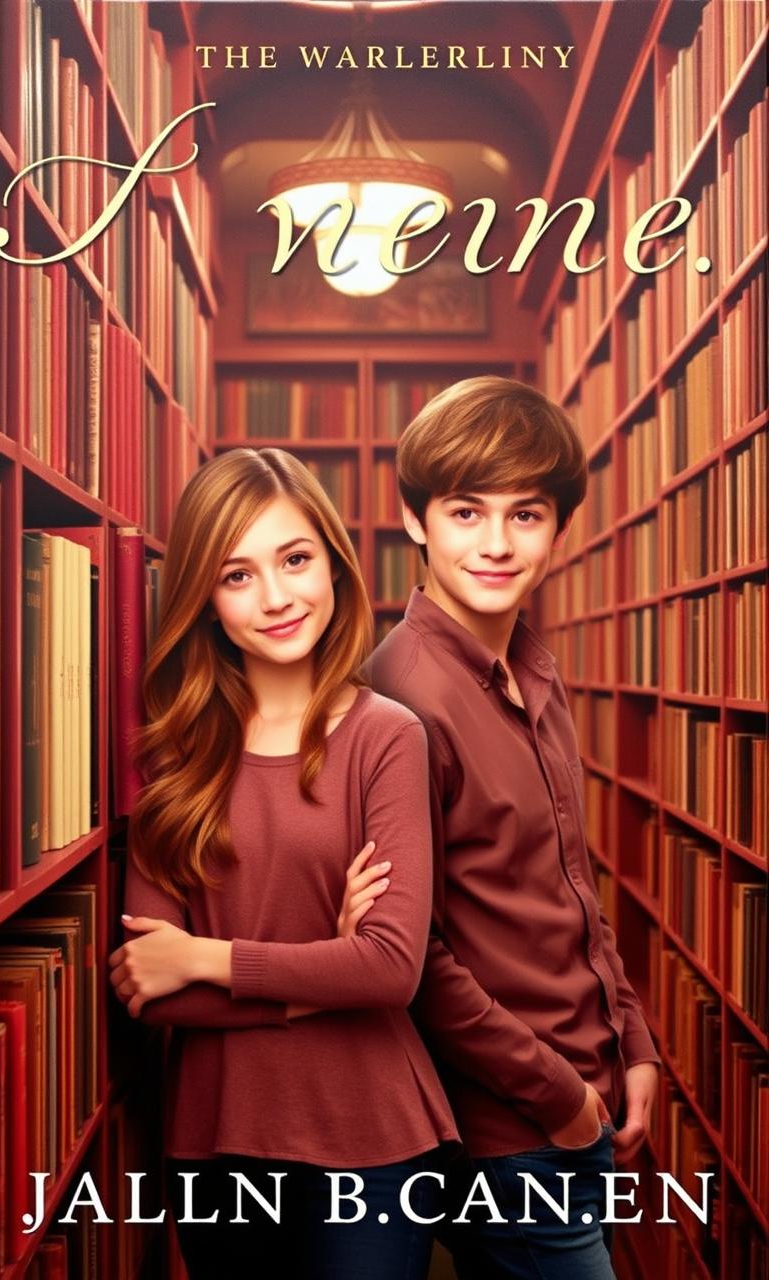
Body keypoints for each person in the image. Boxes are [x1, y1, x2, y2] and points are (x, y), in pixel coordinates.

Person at [108, 447, 458, 1280]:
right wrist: (311, 988)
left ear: (334, 567)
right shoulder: (176, 757)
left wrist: (206, 957)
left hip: (372, 1137)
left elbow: (388, 971)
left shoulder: (388, 738)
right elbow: (149, 992)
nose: (275, 598)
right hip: (217, 1141)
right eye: (237, 575)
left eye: (295, 560)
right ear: (206, 602)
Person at [366, 376, 661, 1280]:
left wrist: (633, 1042)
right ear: (416, 520)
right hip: (511, 1130)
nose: (496, 544)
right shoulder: (399, 697)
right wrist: (563, 1098)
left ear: (558, 526)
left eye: (525, 514)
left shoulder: (532, 668)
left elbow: (568, 880)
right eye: (465, 512)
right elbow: (415, 957)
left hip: (584, 1096)